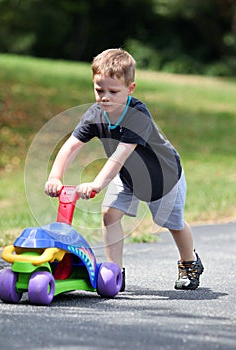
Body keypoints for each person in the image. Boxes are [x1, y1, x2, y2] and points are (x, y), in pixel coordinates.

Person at [44, 48, 204, 291]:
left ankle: (189, 263)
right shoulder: (95, 114)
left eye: (113, 91)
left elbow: (120, 156)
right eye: (99, 90)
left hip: (162, 177)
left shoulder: (137, 115)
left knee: (172, 223)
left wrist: (97, 184)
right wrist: (55, 175)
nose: (104, 97)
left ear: (130, 89)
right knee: (109, 214)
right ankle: (114, 271)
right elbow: (71, 145)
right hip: (128, 177)